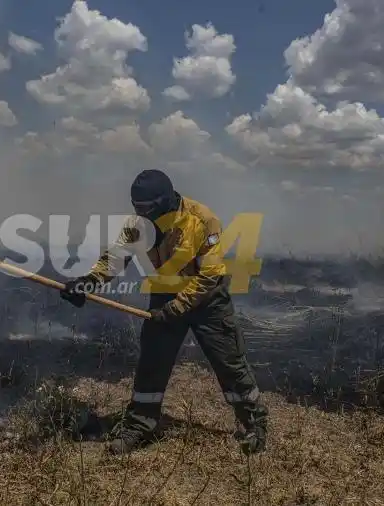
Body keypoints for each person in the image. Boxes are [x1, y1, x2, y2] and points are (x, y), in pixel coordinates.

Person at [60, 168, 268, 455]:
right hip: (165, 290)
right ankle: (140, 425)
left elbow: (208, 276)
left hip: (206, 297)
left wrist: (176, 308)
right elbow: (117, 256)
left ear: (165, 202)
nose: (142, 217)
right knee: (152, 363)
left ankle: (254, 424)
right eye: (137, 210)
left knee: (228, 362)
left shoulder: (202, 219)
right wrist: (89, 282)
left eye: (147, 210)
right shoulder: (138, 225)